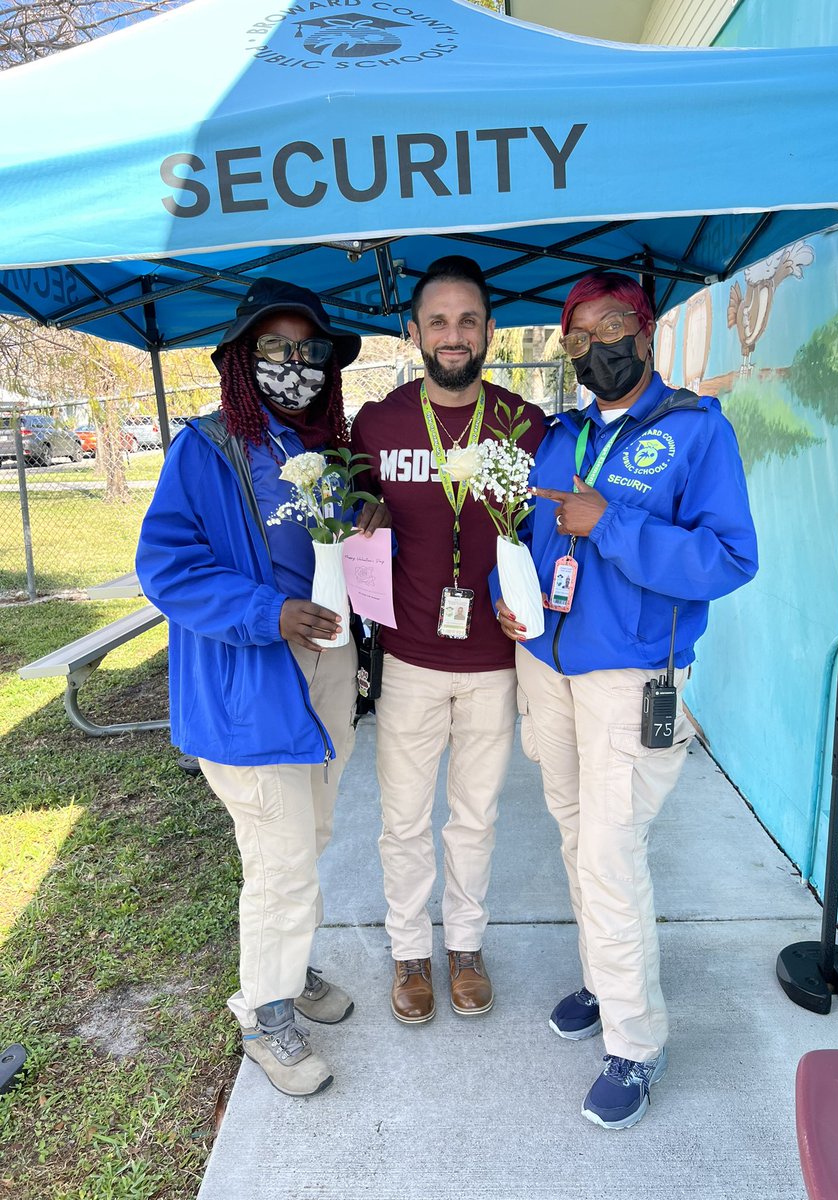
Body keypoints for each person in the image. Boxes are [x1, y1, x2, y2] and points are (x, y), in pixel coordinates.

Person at [497, 271, 757, 1128]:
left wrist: (609, 522)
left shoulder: (694, 432)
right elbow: (541, 538)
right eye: (575, 337)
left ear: (642, 331)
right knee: (577, 837)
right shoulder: (561, 435)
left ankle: (635, 1043)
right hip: (549, 667)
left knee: (613, 851)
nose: (592, 346)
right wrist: (518, 601)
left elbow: (726, 560)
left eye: (609, 326)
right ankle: (605, 979)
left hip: (632, 674)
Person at [136, 277, 389, 1097]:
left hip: (325, 678)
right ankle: (264, 1015)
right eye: (275, 348)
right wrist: (265, 612)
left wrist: (366, 523)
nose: (296, 363)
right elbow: (166, 567)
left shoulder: (324, 447)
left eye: (310, 350)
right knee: (279, 860)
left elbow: (328, 551)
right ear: (242, 361)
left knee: (307, 843)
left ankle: (286, 964)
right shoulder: (204, 450)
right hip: (249, 686)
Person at [351, 256, 544, 1024]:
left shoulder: (525, 425)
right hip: (409, 659)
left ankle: (464, 944)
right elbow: (352, 499)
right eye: (438, 321)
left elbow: (547, 536)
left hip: (495, 661)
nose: (454, 335)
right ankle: (408, 951)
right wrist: (365, 507)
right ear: (413, 332)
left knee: (476, 814)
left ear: (490, 330)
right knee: (402, 817)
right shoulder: (379, 422)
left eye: (469, 320)